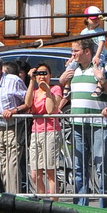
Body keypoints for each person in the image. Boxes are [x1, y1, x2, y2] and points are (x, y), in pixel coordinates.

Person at [59, 37, 107, 205]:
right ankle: (80, 206)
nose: (72, 55)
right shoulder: (74, 70)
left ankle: (103, 207)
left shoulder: (105, 67)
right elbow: (64, 92)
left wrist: (103, 80)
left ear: (87, 51)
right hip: (77, 124)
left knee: (101, 167)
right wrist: (63, 79)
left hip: (99, 124)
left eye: (75, 51)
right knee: (79, 167)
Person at [0, 59, 29, 195]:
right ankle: (8, 197)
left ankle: (14, 199)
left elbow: (27, 103)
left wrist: (14, 111)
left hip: (14, 127)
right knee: (3, 165)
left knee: (13, 165)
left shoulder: (13, 80)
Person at [23, 65, 63, 196]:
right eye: (39, 73)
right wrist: (31, 81)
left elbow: (51, 110)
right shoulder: (34, 91)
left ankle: (53, 203)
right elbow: (28, 104)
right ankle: (41, 201)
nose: (42, 76)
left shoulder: (55, 89)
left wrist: (47, 92)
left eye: (45, 73)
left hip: (51, 131)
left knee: (50, 171)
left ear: (50, 75)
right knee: (35, 173)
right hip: (36, 132)